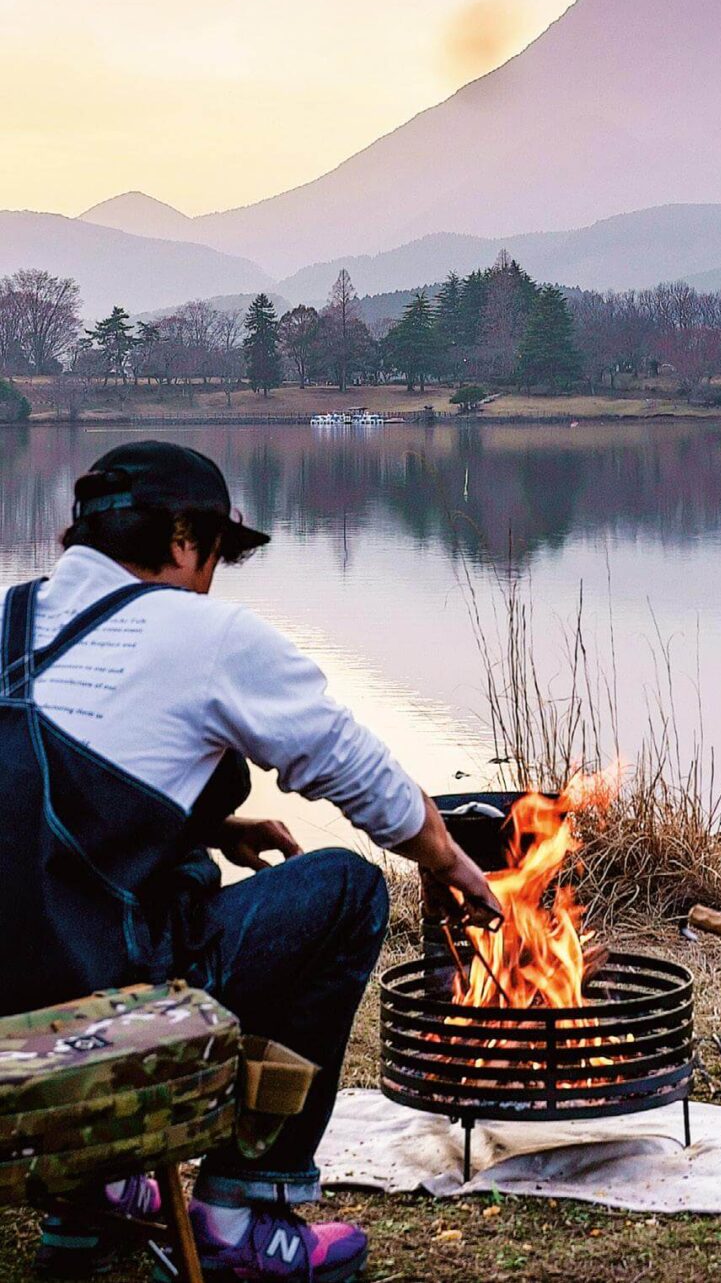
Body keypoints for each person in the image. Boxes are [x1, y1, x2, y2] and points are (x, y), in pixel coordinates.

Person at [0, 441, 501, 1282]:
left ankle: (93, 1191)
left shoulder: (10, 620)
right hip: (103, 1020)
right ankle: (239, 1210)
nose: (211, 582)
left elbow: (33, 805)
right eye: (215, 557)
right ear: (183, 537)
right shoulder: (201, 633)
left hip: (11, 1035)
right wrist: (445, 855)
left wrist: (207, 824)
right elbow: (351, 764)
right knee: (345, 889)